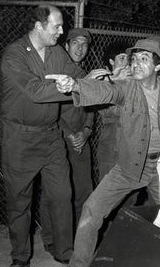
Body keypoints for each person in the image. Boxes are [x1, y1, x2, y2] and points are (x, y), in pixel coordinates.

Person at [47, 37, 160, 267]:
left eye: (143, 59)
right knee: (91, 210)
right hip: (129, 166)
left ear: (158, 66)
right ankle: (79, 264)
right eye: (134, 59)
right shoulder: (127, 88)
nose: (135, 64)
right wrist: (74, 85)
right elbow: (106, 91)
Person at [1, 5, 86, 267]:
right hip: (20, 137)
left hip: (51, 136)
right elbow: (36, 91)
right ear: (39, 26)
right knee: (19, 201)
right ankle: (20, 256)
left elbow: (77, 76)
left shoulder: (56, 52)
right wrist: (71, 88)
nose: (62, 32)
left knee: (62, 195)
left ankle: (63, 251)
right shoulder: (14, 54)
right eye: (56, 26)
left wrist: (98, 80)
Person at [40, 28, 95, 255]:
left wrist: (86, 132)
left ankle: (78, 240)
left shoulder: (84, 74)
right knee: (54, 192)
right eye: (75, 43)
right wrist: (68, 133)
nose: (80, 49)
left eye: (84, 44)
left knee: (84, 191)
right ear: (66, 45)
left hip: (81, 140)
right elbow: (48, 110)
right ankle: (52, 239)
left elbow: (92, 108)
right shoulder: (54, 73)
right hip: (57, 139)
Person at [94, 40, 131, 181]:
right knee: (108, 187)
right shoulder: (103, 81)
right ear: (111, 61)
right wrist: (116, 81)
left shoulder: (134, 80)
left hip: (131, 143)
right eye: (121, 58)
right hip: (112, 142)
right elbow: (108, 111)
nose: (126, 63)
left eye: (128, 59)